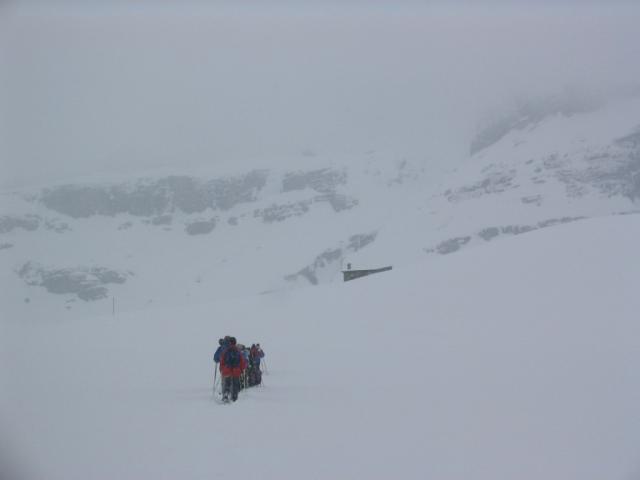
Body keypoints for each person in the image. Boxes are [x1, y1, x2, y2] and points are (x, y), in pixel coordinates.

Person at [220, 337, 247, 402]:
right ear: (235, 342)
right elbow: (243, 363)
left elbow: (222, 361)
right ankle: (234, 398)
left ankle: (226, 395)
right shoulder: (238, 351)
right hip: (236, 371)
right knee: (235, 385)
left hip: (227, 370)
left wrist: (222, 370)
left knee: (227, 383)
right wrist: (241, 370)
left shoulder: (226, 351)